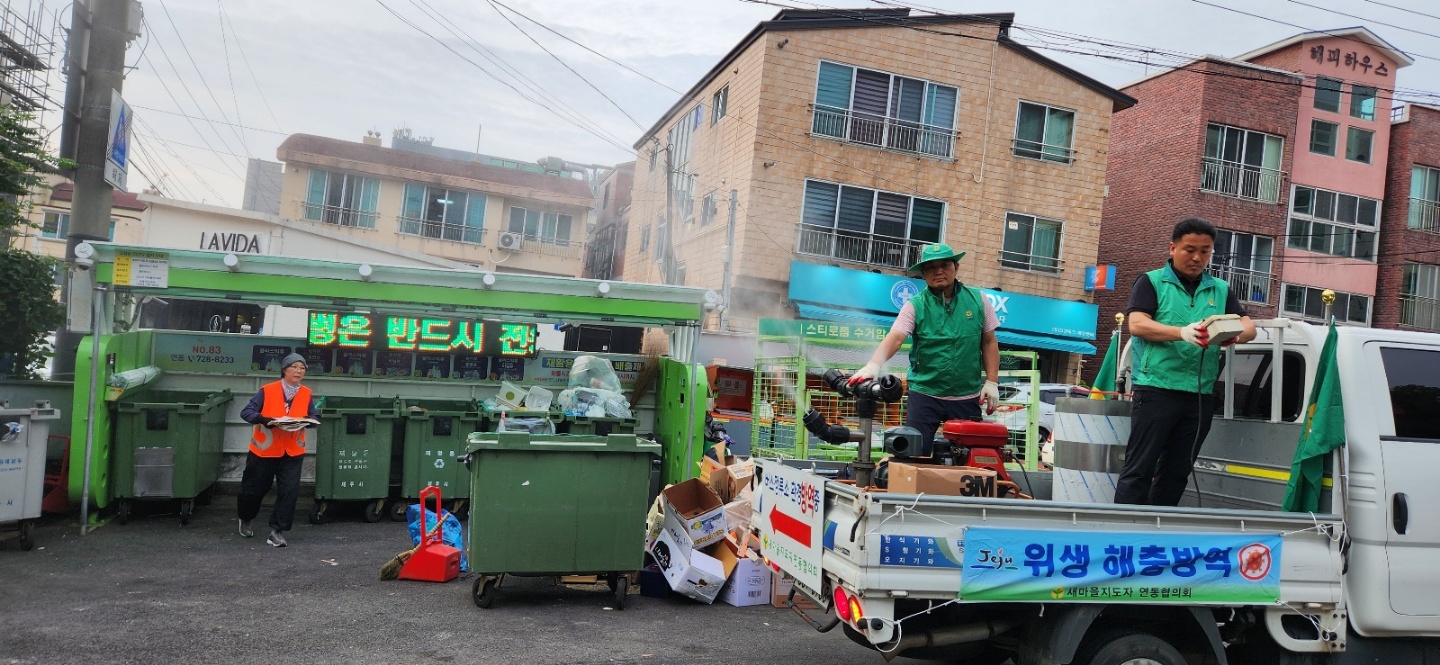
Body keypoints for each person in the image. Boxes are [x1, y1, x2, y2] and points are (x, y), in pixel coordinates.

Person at [1113, 217, 1257, 506]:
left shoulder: (1219, 288)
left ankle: (1159, 531)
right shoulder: (1151, 281)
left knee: (1177, 472)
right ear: (1172, 248)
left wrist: (1232, 336)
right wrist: (1181, 332)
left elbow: (1250, 327)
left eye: (1205, 251)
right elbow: (1138, 325)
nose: (1197, 257)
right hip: (1156, 388)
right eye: (1189, 249)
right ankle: (1126, 531)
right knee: (1139, 468)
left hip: (1199, 394)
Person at [851, 243, 1001, 455]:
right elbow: (896, 337)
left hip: (966, 396)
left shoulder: (978, 300)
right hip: (925, 394)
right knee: (913, 454)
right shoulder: (915, 305)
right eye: (931, 267)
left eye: (945, 265)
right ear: (923, 274)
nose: (939, 271)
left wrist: (992, 381)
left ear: (956, 267)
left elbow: (989, 341)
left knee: (969, 458)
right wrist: (873, 365)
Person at [238, 353, 319, 547]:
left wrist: (309, 421)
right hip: (264, 451)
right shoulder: (267, 390)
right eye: (294, 367)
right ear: (284, 370)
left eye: (302, 368)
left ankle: (277, 531)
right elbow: (246, 412)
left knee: (289, 492)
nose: (299, 371)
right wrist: (265, 420)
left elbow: (313, 415)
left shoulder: (306, 393)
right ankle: (246, 517)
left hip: (292, 451)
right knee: (253, 490)